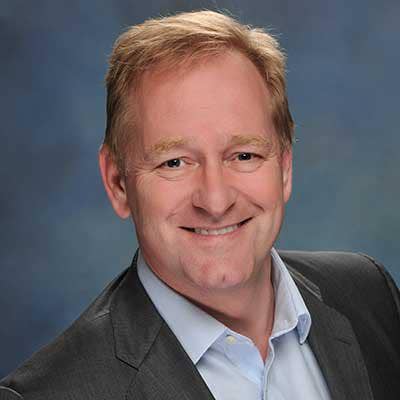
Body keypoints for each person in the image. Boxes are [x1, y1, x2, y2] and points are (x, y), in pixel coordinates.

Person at [1, 10, 399, 400]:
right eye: (174, 162)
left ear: (284, 168)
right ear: (118, 183)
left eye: (244, 155)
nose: (215, 200)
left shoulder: (369, 296)